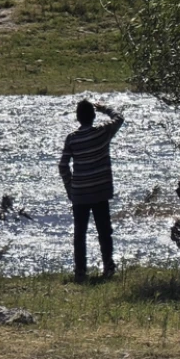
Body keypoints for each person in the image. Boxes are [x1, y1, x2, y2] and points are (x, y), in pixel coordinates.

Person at [58, 99, 124, 283]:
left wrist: (70, 188)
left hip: (80, 194)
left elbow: (63, 166)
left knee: (80, 234)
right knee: (104, 231)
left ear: (78, 118)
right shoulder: (103, 132)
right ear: (93, 116)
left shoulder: (72, 138)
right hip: (100, 191)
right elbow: (119, 118)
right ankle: (108, 268)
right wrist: (105, 108)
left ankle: (80, 272)